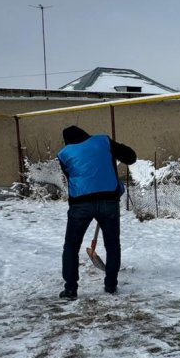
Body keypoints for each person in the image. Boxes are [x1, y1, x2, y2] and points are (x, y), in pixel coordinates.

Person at [57, 125, 136, 299]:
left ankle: (70, 289)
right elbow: (131, 157)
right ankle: (111, 286)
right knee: (113, 245)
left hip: (80, 204)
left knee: (71, 246)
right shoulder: (103, 141)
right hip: (108, 200)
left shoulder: (64, 154)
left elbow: (74, 176)